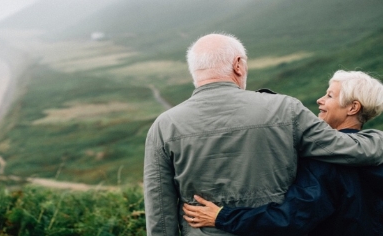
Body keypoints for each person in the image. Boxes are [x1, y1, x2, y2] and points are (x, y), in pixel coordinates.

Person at [144, 33, 383, 236]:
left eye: (330, 95)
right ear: (238, 65)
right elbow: (348, 149)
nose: (321, 100)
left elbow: (160, 213)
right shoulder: (285, 109)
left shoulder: (163, 126)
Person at [182, 70, 383, 235]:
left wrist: (222, 217)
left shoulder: (324, 161)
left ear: (353, 108)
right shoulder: (377, 155)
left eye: (329, 95)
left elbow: (291, 219)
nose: (319, 100)